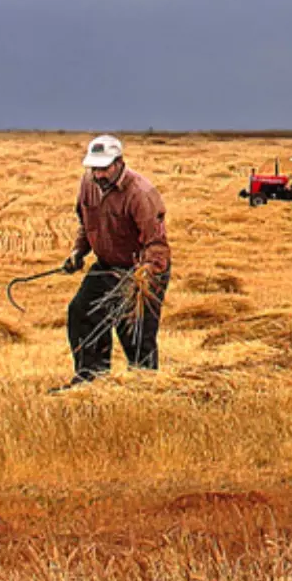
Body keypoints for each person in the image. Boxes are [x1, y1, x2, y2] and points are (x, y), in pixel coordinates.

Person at [54, 135, 171, 391]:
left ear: (119, 163)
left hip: (142, 269)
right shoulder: (87, 184)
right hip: (107, 264)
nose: (98, 174)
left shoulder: (141, 194)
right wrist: (78, 252)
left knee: (135, 332)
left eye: (104, 168)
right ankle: (91, 380)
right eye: (94, 168)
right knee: (82, 312)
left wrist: (144, 278)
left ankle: (145, 387)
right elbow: (87, 223)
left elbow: (157, 245)